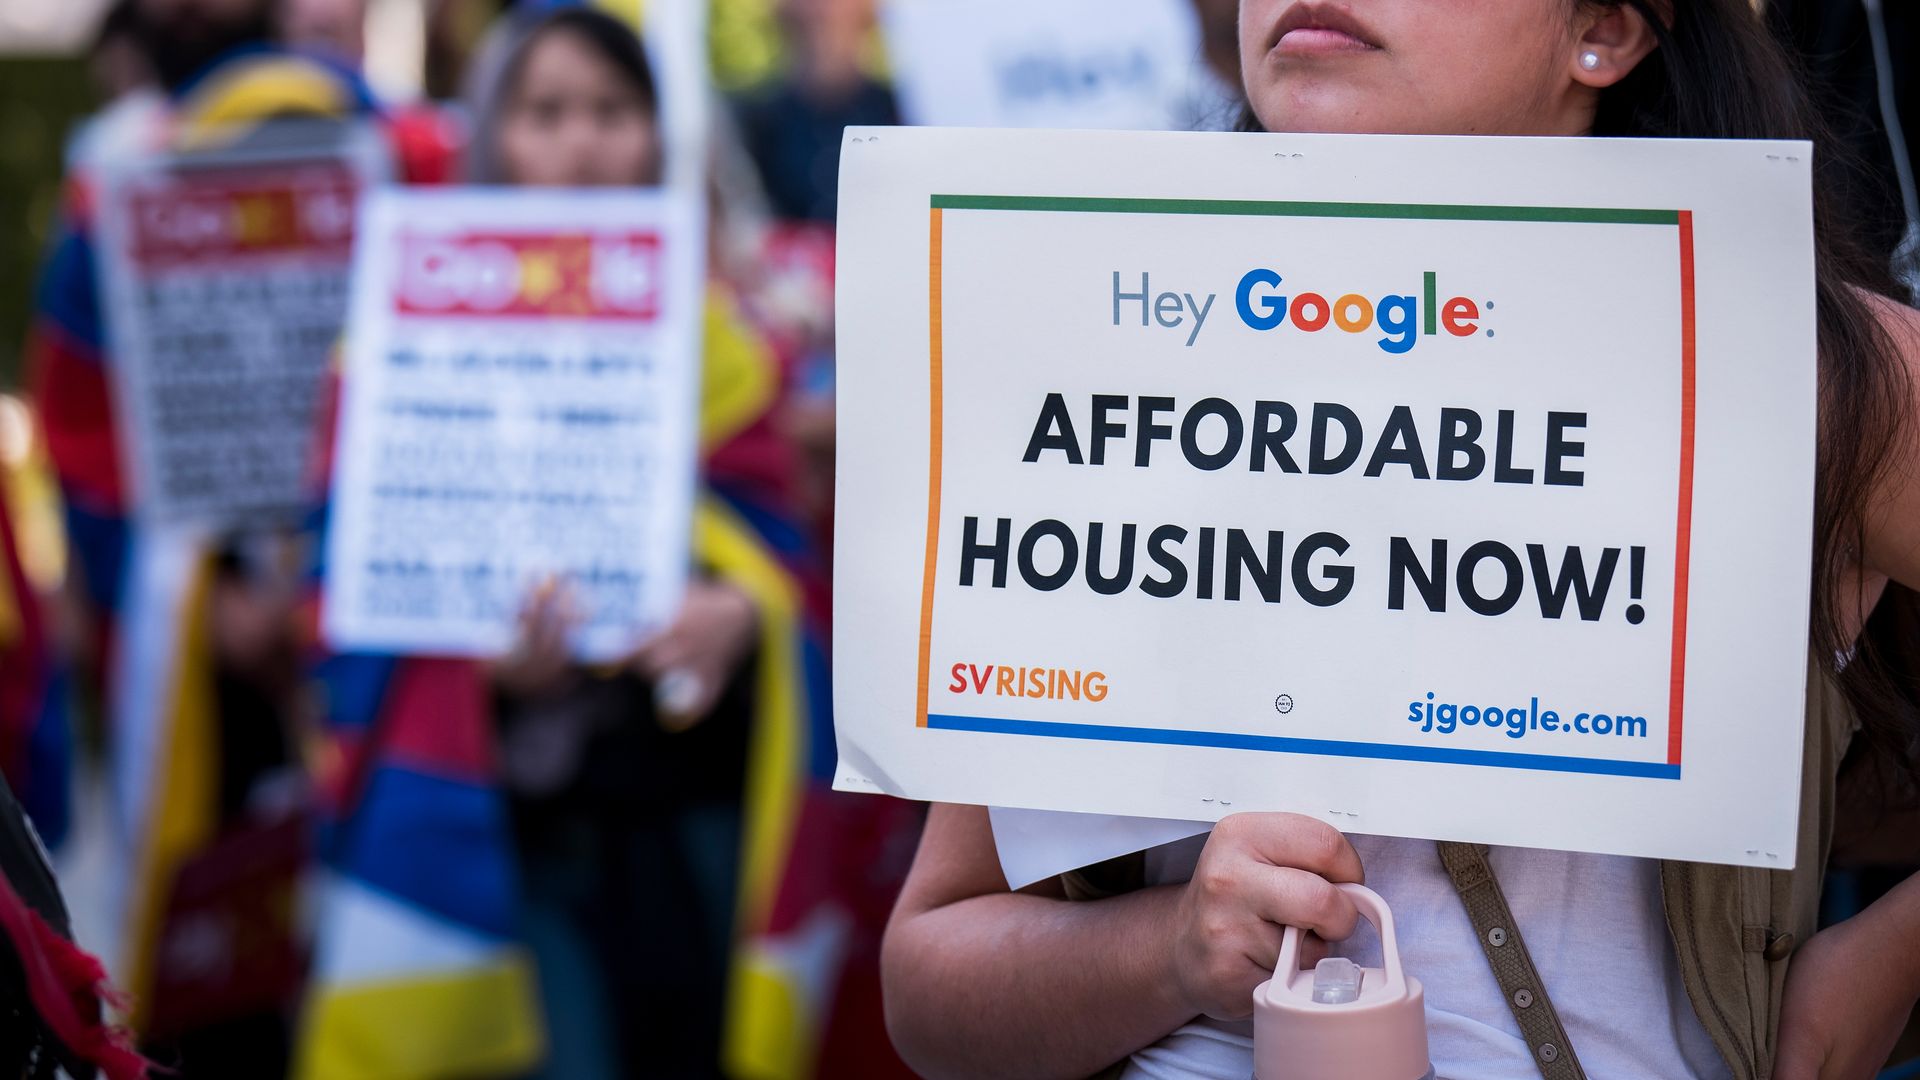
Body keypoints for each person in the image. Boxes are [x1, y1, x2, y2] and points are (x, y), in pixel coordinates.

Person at [881, 2, 1920, 1079]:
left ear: (1604, 31)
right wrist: (1172, 953)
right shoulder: (1102, 359)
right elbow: (928, 977)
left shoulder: (1790, 366)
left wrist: (1887, 960)